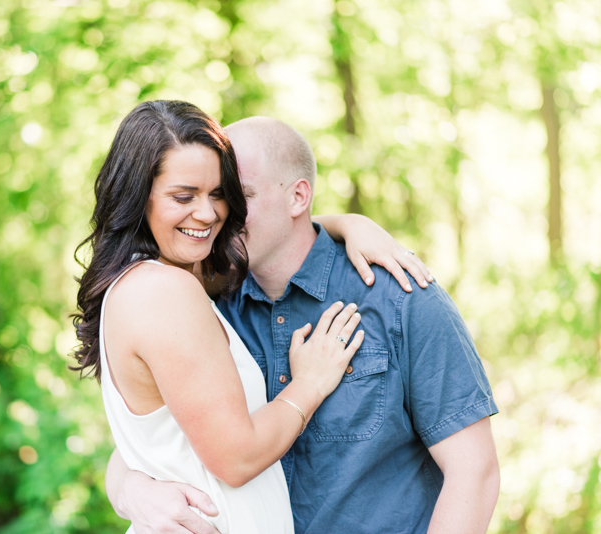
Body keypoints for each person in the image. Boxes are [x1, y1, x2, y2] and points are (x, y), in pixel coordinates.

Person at [105, 116, 501, 534]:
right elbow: (153, 440)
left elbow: (474, 472)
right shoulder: (209, 306)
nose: (219, 213)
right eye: (221, 196)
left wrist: (349, 222)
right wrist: (133, 492)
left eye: (236, 196)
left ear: (298, 197)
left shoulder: (400, 298)